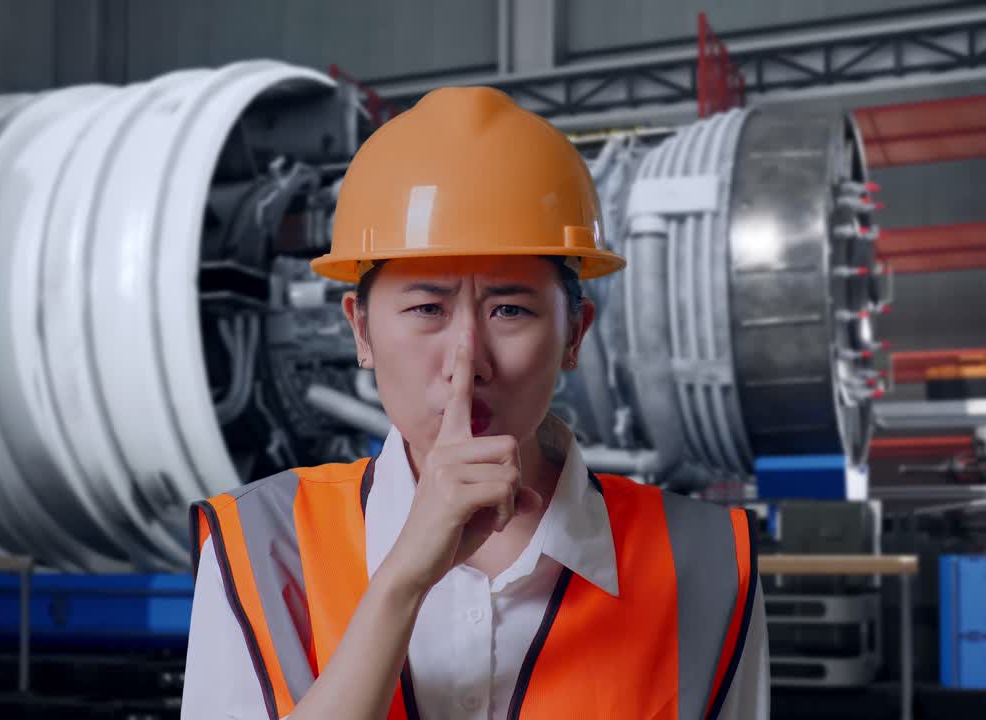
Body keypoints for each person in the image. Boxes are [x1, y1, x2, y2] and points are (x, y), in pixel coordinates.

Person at [181, 85, 768, 720]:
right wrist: (403, 580)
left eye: (510, 310)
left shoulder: (706, 562)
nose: (468, 361)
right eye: (427, 308)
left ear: (574, 333)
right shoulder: (263, 545)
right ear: (361, 331)